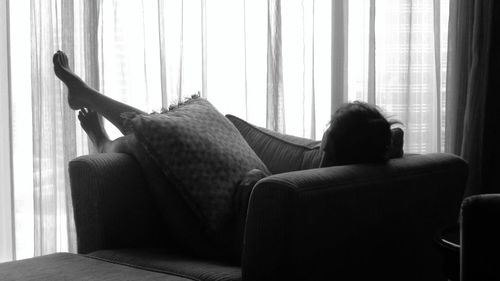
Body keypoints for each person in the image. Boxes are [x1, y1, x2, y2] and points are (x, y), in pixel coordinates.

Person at [54, 50, 399, 167]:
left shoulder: (316, 183)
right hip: (229, 180)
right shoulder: (358, 177)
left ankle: (100, 136)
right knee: (165, 128)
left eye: (327, 133)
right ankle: (87, 98)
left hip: (218, 208)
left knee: (152, 136)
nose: (321, 139)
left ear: (329, 146)